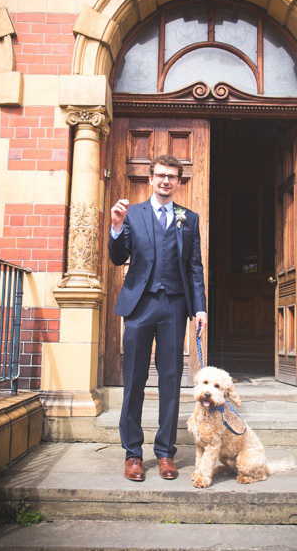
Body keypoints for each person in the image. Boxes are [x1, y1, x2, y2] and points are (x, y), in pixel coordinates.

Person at [108, 154, 208, 482]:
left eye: (172, 177)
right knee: (134, 379)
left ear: (179, 183)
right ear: (151, 179)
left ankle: (165, 452)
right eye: (160, 175)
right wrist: (117, 226)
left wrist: (200, 309)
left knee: (170, 380)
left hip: (175, 307)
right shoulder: (132, 214)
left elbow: (194, 267)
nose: (166, 181)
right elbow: (118, 257)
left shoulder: (188, 218)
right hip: (139, 306)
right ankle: (133, 453)